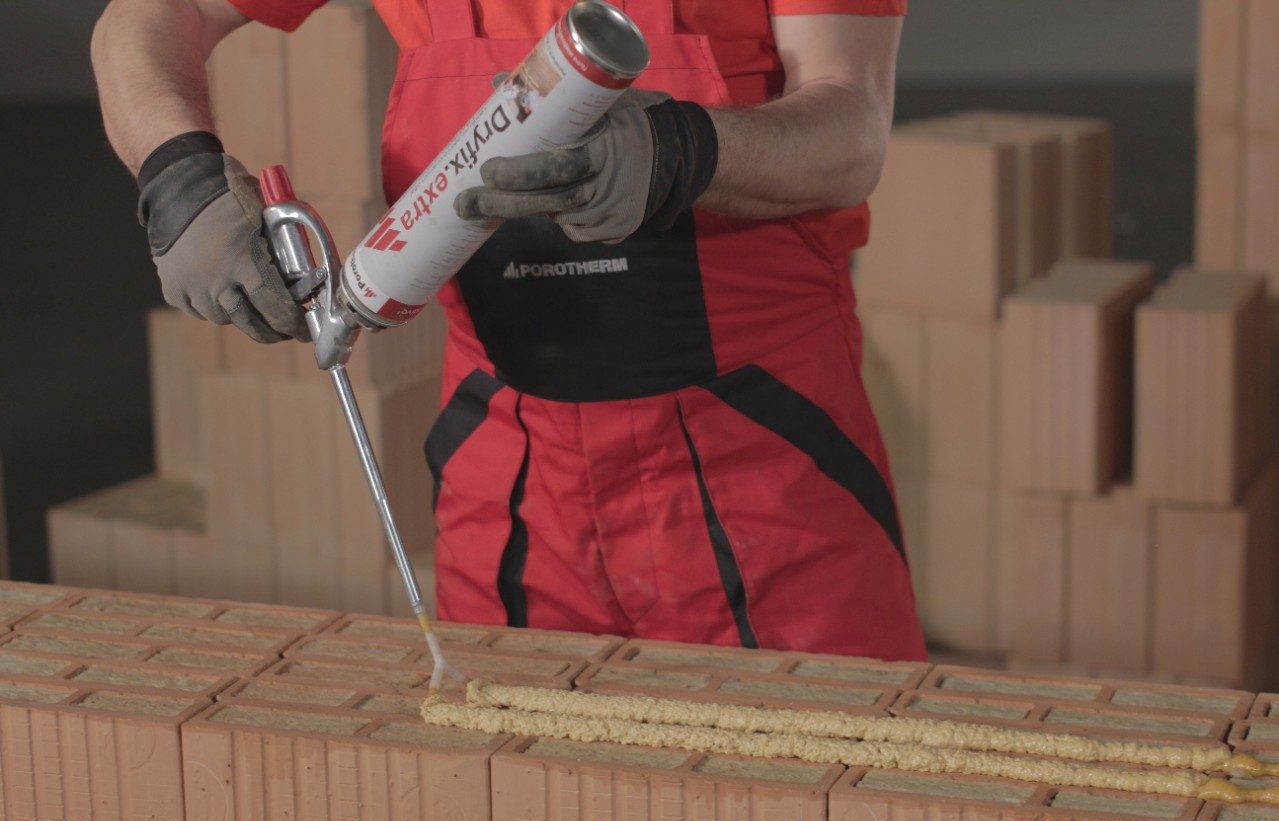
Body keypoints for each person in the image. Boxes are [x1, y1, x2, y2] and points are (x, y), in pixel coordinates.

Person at [92, 0, 927, 661]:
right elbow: (152, 15)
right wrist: (179, 181)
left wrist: (680, 149)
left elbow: (850, 126)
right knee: (508, 783)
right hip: (510, 471)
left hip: (765, 460)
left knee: (817, 781)